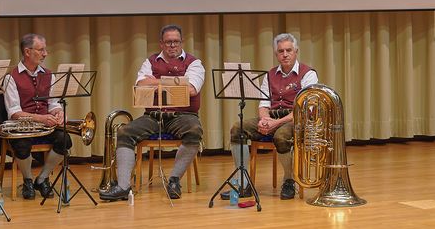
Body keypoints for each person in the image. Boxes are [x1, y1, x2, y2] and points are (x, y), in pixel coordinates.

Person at [100, 24, 204, 201]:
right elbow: (140, 84)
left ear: (182, 42)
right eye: (168, 42)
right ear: (161, 44)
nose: (172, 46)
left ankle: (174, 180)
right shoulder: (150, 61)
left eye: (176, 42)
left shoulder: (194, 63)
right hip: (153, 115)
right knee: (125, 132)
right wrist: (177, 83)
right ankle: (123, 187)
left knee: (194, 131)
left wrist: (155, 81)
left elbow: (192, 89)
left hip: (184, 116)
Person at [221, 33, 317, 200]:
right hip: (272, 118)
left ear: (296, 51)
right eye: (281, 51)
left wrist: (275, 123)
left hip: (295, 120)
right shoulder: (270, 74)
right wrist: (265, 119)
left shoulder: (308, 74)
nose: (285, 54)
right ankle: (244, 183)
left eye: (289, 50)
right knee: (238, 128)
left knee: (281, 136)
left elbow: (304, 110)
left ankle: (289, 180)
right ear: (276, 54)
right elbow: (263, 104)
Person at [1, 33, 70, 199]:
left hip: (45, 125)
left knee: (65, 140)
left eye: (45, 50)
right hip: (23, 126)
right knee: (22, 145)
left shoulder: (49, 74)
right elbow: (14, 112)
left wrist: (58, 113)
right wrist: (40, 118)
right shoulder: (11, 77)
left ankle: (42, 178)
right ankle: (28, 180)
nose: (45, 54)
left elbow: (53, 104)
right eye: (41, 50)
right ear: (27, 52)